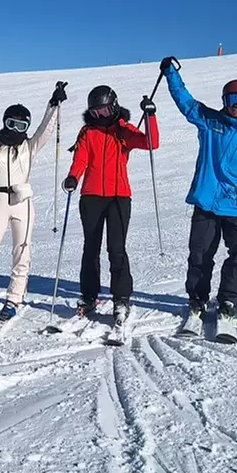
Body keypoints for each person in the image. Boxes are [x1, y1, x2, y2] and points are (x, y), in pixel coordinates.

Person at [161, 58, 237, 327]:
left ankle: (228, 299)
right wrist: (171, 74)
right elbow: (186, 103)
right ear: (224, 100)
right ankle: (197, 298)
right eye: (230, 99)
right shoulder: (211, 122)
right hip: (207, 201)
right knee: (200, 254)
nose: (235, 105)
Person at [0, 82, 66, 321]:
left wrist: (53, 105)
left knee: (22, 252)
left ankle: (14, 298)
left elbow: (45, 131)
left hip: (22, 202)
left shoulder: (29, 146)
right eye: (12, 124)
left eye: (21, 125)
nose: (16, 130)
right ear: (4, 122)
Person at [62, 85, 159, 325]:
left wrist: (150, 116)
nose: (100, 116)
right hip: (91, 197)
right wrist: (73, 176)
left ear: (114, 107)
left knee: (116, 249)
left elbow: (150, 142)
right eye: (95, 112)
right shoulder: (88, 132)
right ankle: (89, 296)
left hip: (119, 197)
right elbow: (81, 158)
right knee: (91, 248)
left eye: (104, 111)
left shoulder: (123, 130)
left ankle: (121, 298)